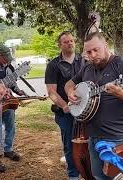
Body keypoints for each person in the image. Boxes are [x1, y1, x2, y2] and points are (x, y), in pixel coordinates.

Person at [65, 32, 123, 180]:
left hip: (120, 137)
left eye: (96, 50)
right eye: (89, 52)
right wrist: (70, 91)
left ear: (106, 46)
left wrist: (120, 92)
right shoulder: (88, 68)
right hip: (94, 136)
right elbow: (69, 83)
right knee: (98, 176)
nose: (93, 54)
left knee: (121, 177)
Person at [44, 31, 84, 179]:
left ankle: (88, 172)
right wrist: (64, 106)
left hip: (86, 110)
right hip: (66, 113)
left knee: (88, 142)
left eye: (72, 41)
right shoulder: (53, 65)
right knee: (70, 144)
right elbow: (51, 91)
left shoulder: (84, 60)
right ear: (60, 45)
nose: (70, 43)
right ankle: (73, 175)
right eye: (66, 42)